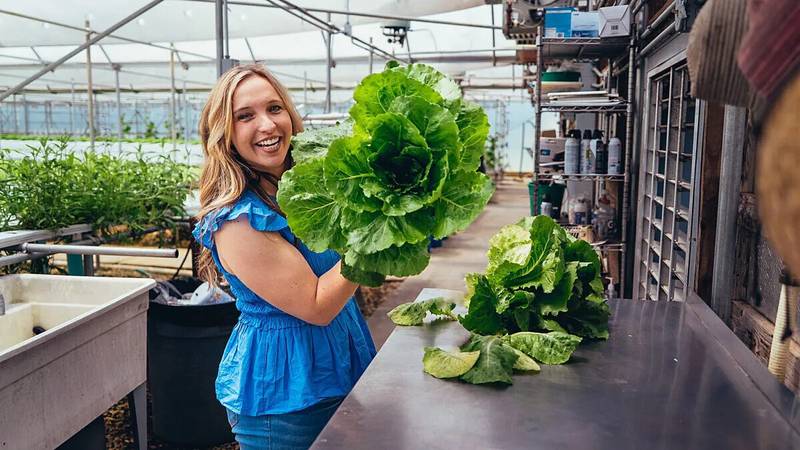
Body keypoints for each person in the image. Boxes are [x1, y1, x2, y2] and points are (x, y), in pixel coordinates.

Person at [192, 64, 376, 450]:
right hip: (285, 391)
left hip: (342, 359)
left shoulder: (307, 188)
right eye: (245, 116)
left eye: (274, 109)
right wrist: (380, 232)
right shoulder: (238, 221)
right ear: (225, 135)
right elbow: (316, 304)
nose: (267, 125)